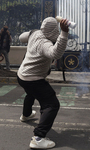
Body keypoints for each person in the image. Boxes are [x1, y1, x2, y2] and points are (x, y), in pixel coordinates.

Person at [17, 17, 69, 149]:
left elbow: (21, 37)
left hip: (22, 75)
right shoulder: (45, 44)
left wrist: (31, 33)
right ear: (53, 30)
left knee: (31, 93)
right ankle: (38, 138)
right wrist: (64, 33)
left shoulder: (34, 33)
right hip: (33, 78)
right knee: (51, 104)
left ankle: (26, 115)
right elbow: (55, 53)